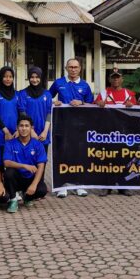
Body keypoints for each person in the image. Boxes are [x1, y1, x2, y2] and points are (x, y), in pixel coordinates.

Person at [49, 58, 93, 197]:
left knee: (78, 155)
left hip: (79, 126)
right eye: (70, 67)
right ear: (66, 68)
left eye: (76, 67)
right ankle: (62, 185)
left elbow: (91, 104)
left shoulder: (85, 85)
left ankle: (78, 184)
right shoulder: (58, 83)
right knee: (62, 153)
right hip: (61, 124)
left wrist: (81, 102)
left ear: (80, 69)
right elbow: (46, 97)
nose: (73, 69)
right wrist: (54, 102)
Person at [3, 115, 48, 212]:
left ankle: (27, 197)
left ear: (31, 128)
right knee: (8, 173)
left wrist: (34, 185)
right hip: (16, 178)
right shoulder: (10, 143)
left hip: (30, 178)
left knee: (42, 190)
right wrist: (24, 165)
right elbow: (6, 163)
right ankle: (13, 199)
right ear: (17, 128)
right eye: (21, 126)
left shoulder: (38, 145)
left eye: (27, 126)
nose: (24, 128)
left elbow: (41, 166)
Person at [0, 66, 19, 149]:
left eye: (10, 77)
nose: (8, 79)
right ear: (1, 78)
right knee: (0, 159)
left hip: (15, 134)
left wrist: (18, 130)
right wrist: (6, 131)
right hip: (0, 133)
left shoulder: (17, 94)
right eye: (5, 76)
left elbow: (21, 112)